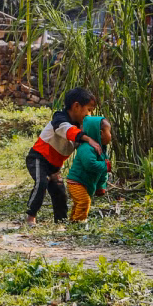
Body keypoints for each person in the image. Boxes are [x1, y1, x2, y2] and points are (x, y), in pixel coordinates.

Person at [24, 87, 102, 225]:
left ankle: (60, 221)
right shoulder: (59, 119)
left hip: (55, 165)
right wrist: (88, 139)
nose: (89, 115)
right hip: (38, 158)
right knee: (42, 182)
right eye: (88, 110)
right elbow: (68, 131)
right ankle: (31, 217)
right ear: (76, 106)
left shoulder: (81, 126)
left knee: (59, 191)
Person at [65, 114, 112, 223]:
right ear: (101, 133)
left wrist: (101, 186)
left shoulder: (102, 150)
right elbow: (90, 165)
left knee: (79, 203)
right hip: (76, 182)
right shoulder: (86, 148)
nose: (110, 135)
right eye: (109, 132)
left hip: (85, 183)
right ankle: (79, 222)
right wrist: (105, 165)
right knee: (84, 202)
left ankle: (73, 221)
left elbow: (103, 172)